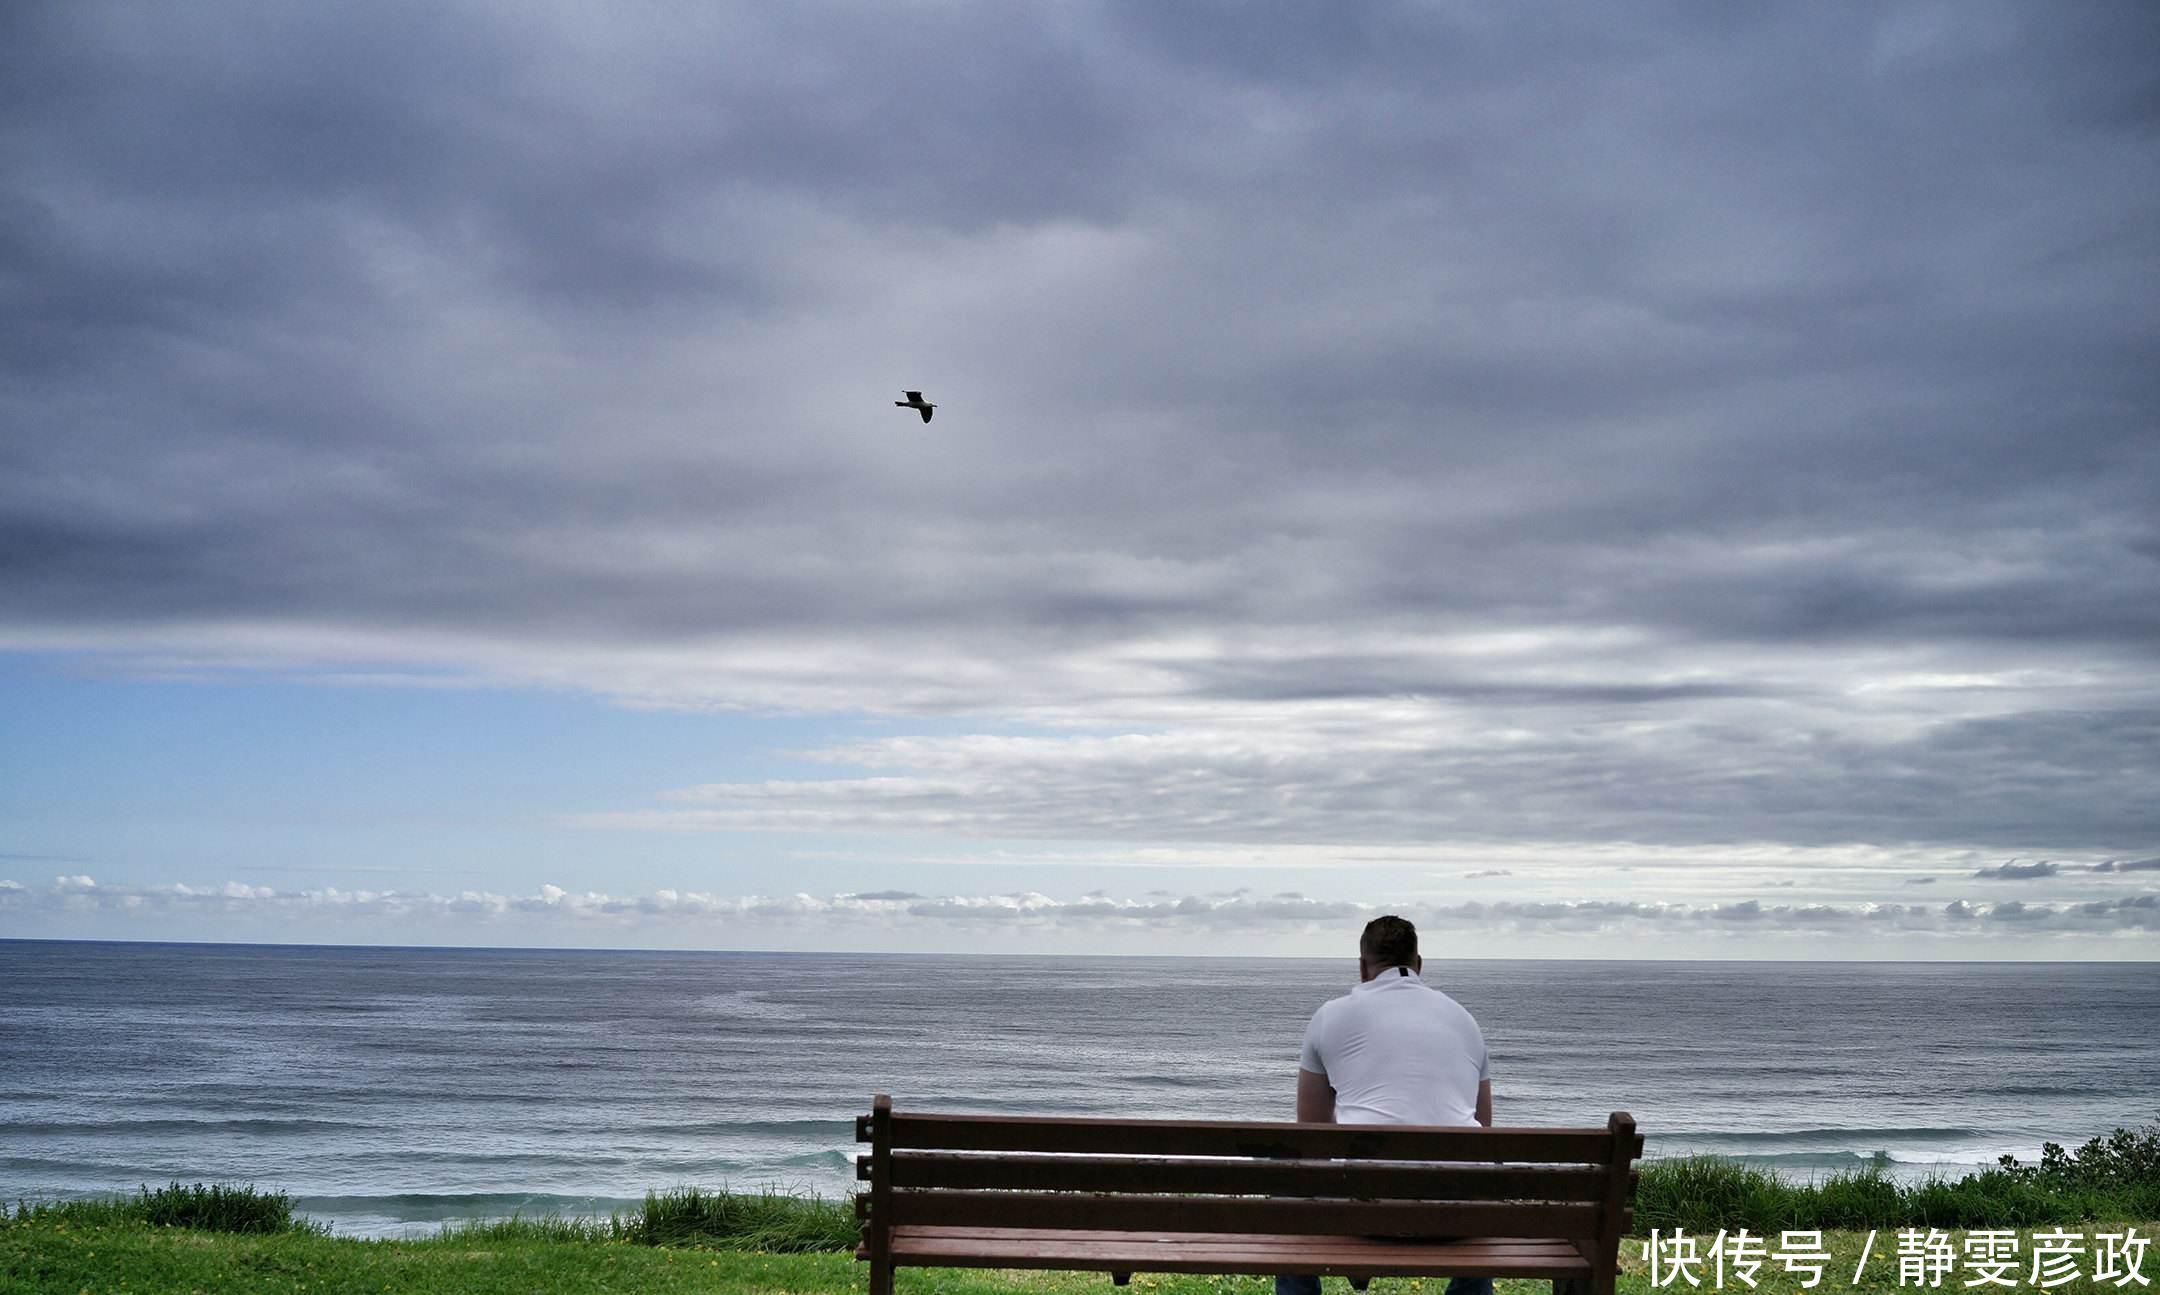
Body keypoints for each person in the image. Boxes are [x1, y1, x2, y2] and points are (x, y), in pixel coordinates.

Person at [1277, 915, 1493, 1295]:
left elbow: (1312, 1139)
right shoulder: (1465, 1021)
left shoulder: (1330, 1016)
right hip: (1458, 1217)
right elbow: (1485, 1136)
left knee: (1288, 1188)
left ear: (1363, 967)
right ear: (1419, 964)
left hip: (1366, 1212)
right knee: (1476, 1182)